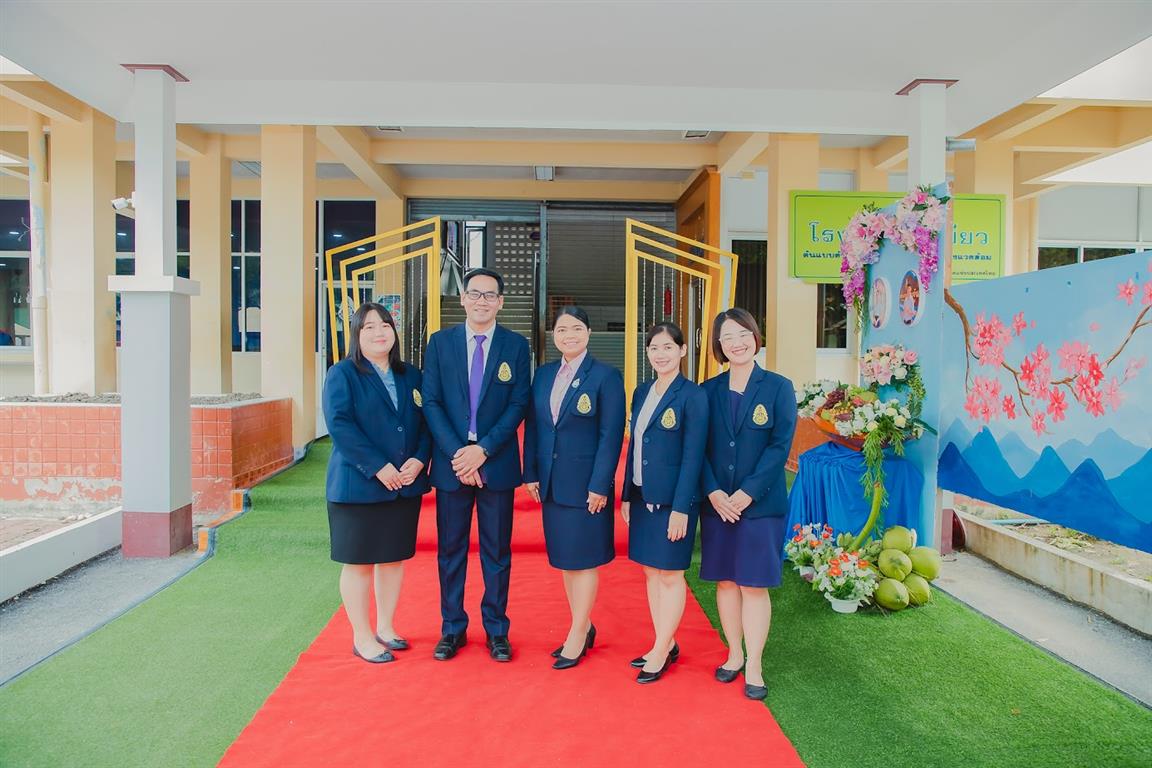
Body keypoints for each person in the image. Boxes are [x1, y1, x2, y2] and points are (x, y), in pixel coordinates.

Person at [422, 268, 531, 663]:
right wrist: (459, 453)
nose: (481, 301)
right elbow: (431, 401)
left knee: (496, 551)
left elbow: (519, 403)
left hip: (494, 462)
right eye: (475, 293)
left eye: (489, 295)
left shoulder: (516, 346)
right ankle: (452, 628)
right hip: (452, 463)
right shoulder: (440, 343)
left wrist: (482, 450)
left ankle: (496, 630)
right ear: (463, 299)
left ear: (500, 302)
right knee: (450, 550)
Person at [322, 302, 431, 664]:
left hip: (404, 484)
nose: (378, 332)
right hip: (358, 485)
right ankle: (362, 635)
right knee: (359, 563)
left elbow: (426, 423)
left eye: (384, 325)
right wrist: (378, 467)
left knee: (392, 559)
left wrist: (419, 459)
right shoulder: (342, 374)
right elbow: (340, 426)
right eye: (368, 327)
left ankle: (386, 626)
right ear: (356, 335)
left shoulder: (411, 375)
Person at [699, 308, 797, 700]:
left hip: (760, 505)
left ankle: (754, 663)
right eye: (727, 337)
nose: (736, 343)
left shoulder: (778, 387)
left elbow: (779, 446)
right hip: (718, 505)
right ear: (718, 345)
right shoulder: (707, 391)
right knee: (726, 581)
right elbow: (698, 448)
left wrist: (747, 492)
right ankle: (734, 654)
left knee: (754, 585)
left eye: (743, 334)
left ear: (755, 337)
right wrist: (713, 492)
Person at [524, 306, 626, 670]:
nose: (570, 335)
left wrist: (600, 484)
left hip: (586, 488)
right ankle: (582, 624)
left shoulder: (605, 376)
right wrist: (531, 473)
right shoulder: (543, 375)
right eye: (563, 329)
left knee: (583, 562)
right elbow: (535, 427)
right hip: (552, 484)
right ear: (554, 335)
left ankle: (578, 633)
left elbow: (610, 435)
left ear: (589, 333)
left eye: (577, 328)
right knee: (566, 560)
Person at [620, 322, 708, 684]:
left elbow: (693, 455)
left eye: (668, 347)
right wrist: (627, 494)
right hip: (642, 497)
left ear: (682, 351)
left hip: (674, 502)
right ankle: (665, 641)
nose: (661, 354)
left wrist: (682, 508)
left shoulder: (693, 396)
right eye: (654, 348)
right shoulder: (642, 391)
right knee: (650, 571)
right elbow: (635, 445)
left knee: (670, 574)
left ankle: (660, 649)